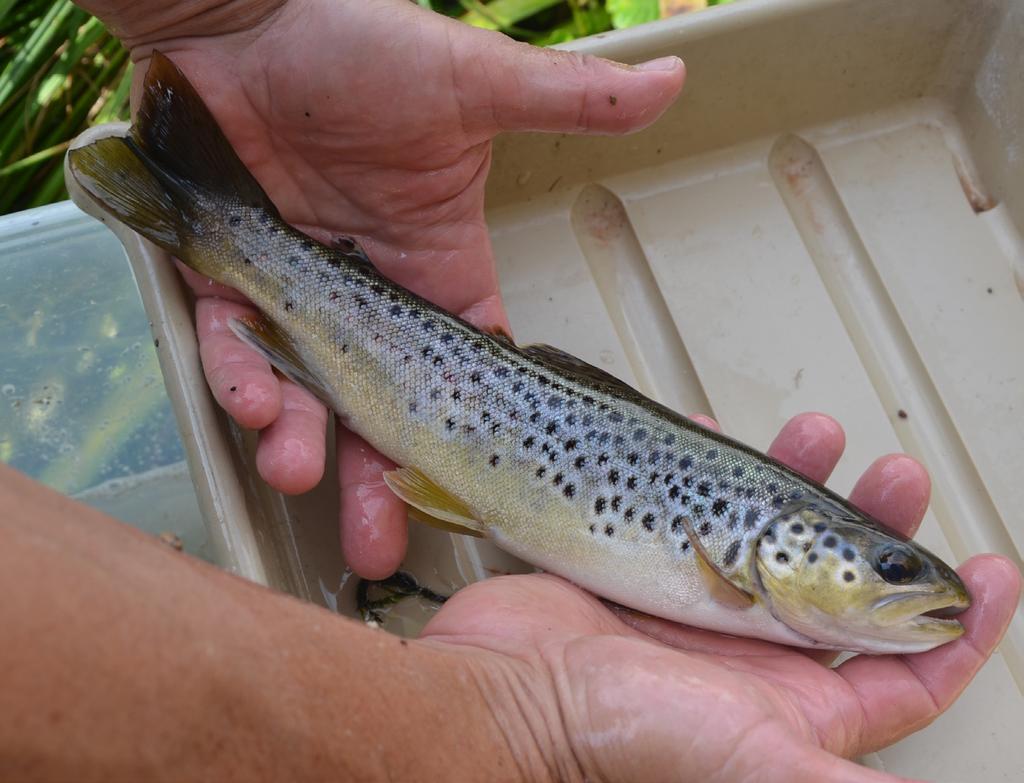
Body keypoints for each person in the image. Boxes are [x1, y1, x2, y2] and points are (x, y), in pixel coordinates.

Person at [1, 1, 1018, 780]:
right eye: (887, 566)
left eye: (890, 568)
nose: (908, 586)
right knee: (283, 295)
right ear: (793, 542)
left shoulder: (756, 575)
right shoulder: (740, 569)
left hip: (421, 392)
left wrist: (229, 17)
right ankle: (224, 231)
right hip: (414, 377)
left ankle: (224, 228)